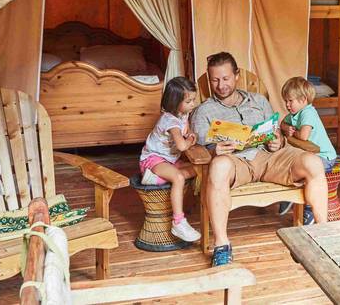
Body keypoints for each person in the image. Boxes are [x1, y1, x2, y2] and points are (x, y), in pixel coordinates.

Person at [192, 52, 329, 266]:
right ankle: (221, 245)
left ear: (236, 75)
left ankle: (323, 235)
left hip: (269, 156)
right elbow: (197, 149)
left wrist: (278, 141)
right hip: (236, 162)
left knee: (314, 162)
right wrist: (213, 150)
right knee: (218, 167)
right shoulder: (204, 111)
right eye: (215, 80)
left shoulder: (258, 101)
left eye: (226, 78)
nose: (221, 85)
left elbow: (275, 131)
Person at [139, 76, 201, 243]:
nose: (193, 104)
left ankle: (159, 180)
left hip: (169, 161)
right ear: (175, 102)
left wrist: (188, 134)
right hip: (153, 160)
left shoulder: (182, 115)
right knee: (179, 178)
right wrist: (189, 141)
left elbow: (184, 132)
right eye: (189, 101)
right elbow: (181, 146)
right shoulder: (169, 120)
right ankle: (178, 221)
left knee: (198, 169)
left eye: (194, 100)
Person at [280, 76, 338, 224]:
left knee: (307, 174)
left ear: (303, 99)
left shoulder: (308, 113)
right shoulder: (294, 114)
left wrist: (292, 132)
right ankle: (290, 197)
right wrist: (286, 127)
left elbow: (304, 136)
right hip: (310, 154)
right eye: (285, 101)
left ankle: (309, 209)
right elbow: (282, 123)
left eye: (290, 101)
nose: (287, 105)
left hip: (324, 156)